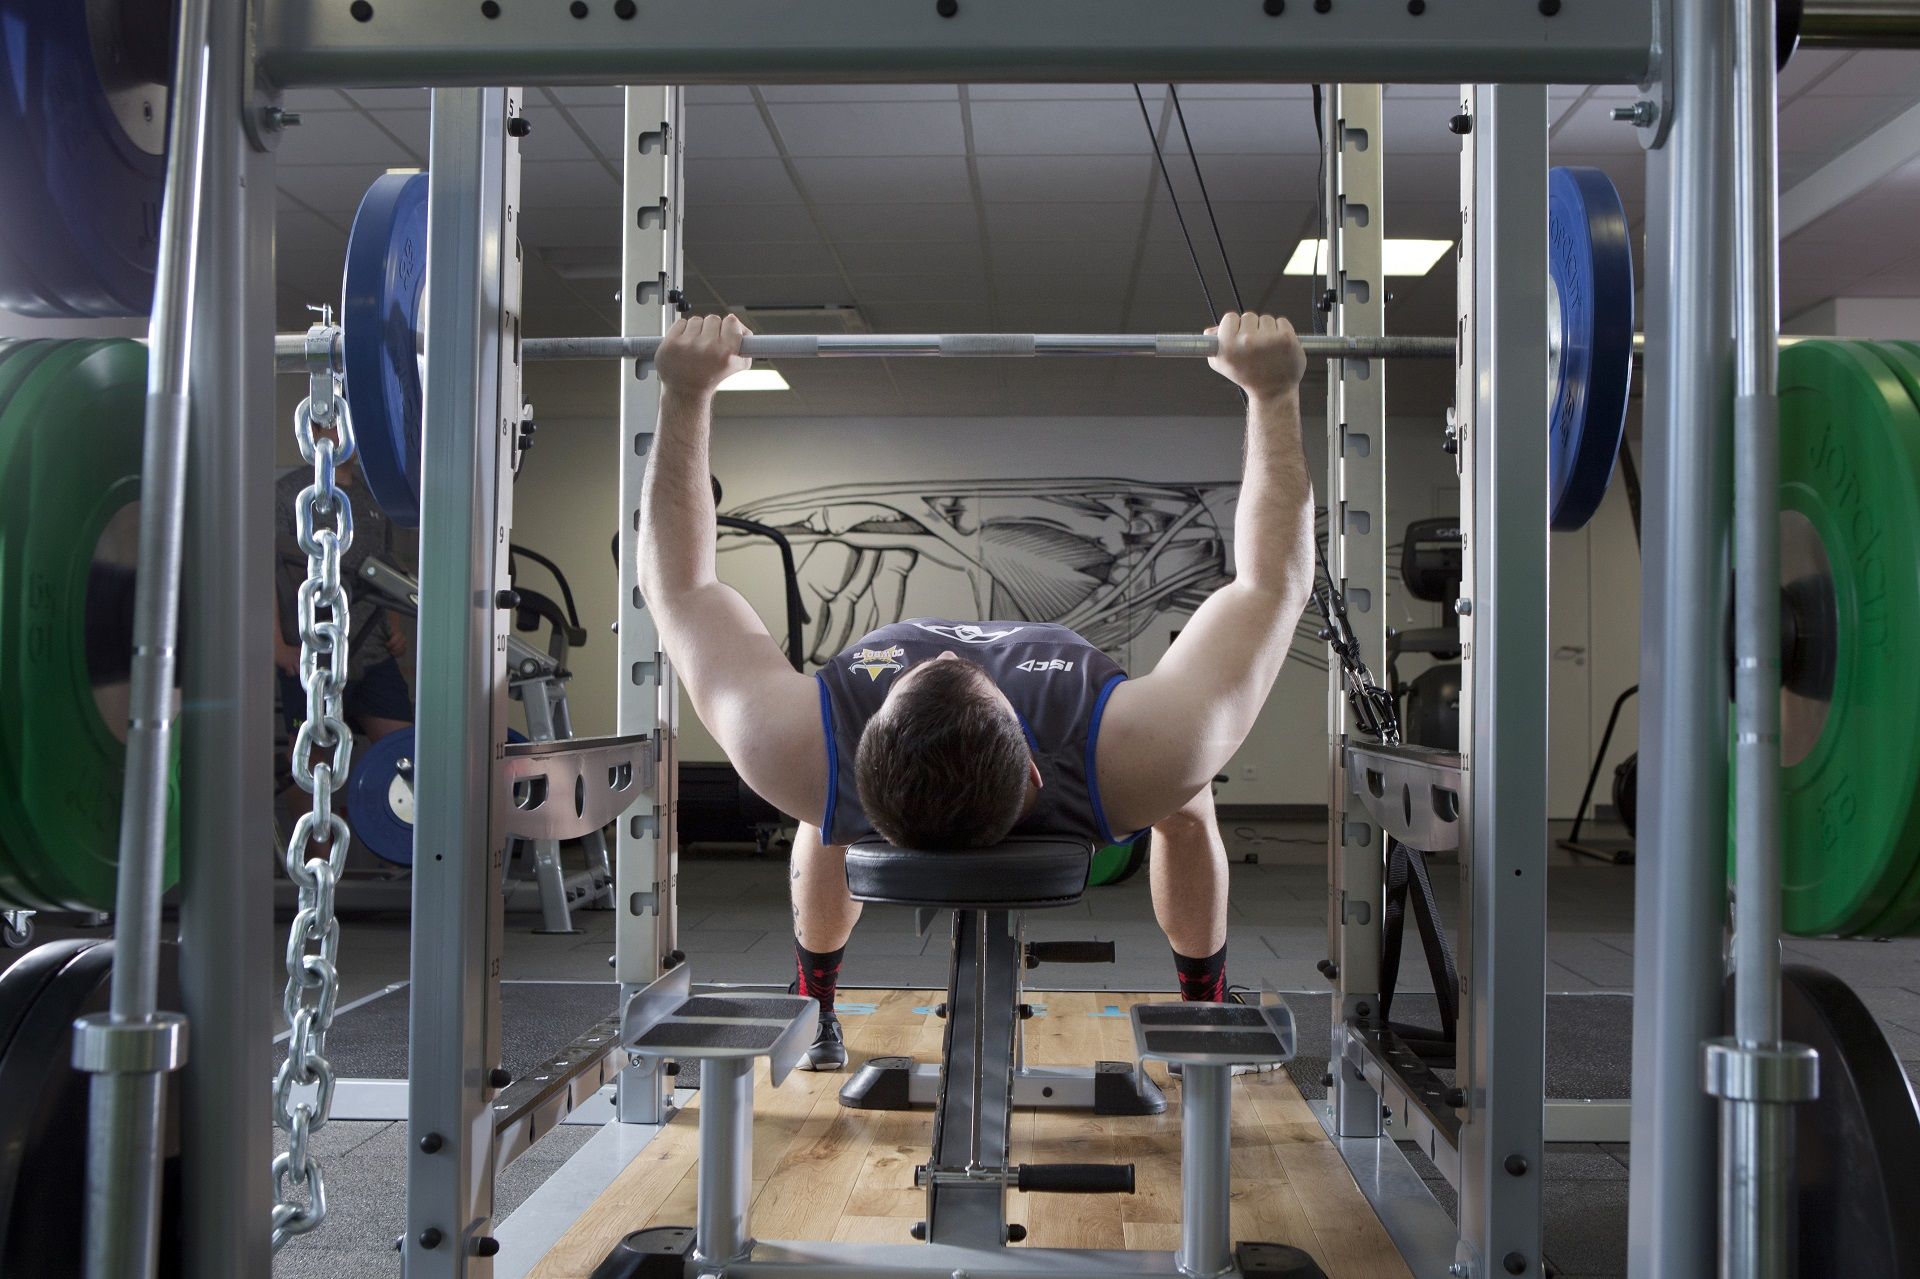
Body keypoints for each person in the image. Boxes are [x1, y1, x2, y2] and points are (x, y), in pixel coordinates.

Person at [638, 312, 1315, 1070]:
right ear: (1033, 767)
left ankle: (814, 996)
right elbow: (1269, 586)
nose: (958, 655)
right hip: (1084, 764)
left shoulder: (801, 744)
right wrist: (1272, 392)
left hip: (838, 769)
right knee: (1185, 801)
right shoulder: (1139, 752)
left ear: (869, 755)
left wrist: (685, 392)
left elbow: (682, 589)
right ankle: (1206, 1003)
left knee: (817, 806)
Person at [273, 421, 416, 745]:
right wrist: (278, 647)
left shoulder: (372, 497)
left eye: (350, 427)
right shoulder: (289, 495)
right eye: (335, 427)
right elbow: (267, 574)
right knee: (313, 759)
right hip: (313, 653)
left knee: (402, 753)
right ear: (315, 431)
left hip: (372, 653)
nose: (345, 436)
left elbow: (386, 570)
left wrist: (393, 628)